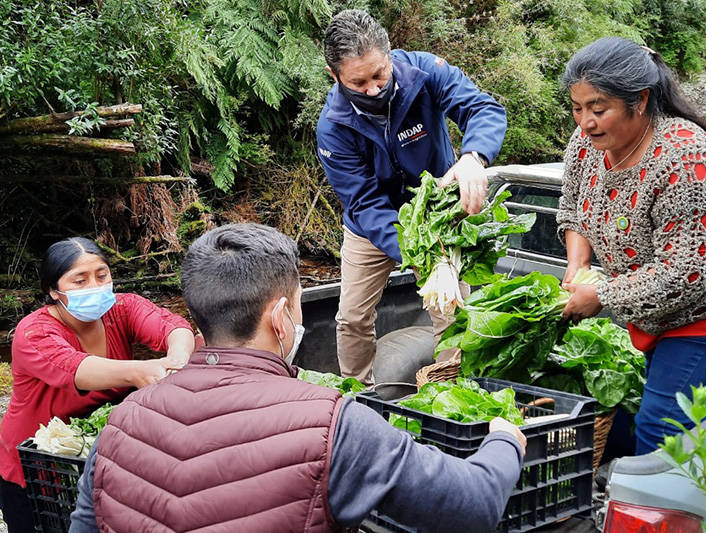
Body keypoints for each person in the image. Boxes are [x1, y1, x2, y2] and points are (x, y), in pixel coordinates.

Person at [69, 223, 526, 533]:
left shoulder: (119, 425)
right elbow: (475, 506)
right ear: (282, 317)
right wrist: (506, 440)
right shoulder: (333, 423)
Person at [556, 37, 706, 455]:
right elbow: (573, 210)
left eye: (599, 109)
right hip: (647, 302)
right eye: (578, 108)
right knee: (631, 399)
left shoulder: (684, 158)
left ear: (641, 100)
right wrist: (576, 267)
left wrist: (600, 293)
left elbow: (686, 272)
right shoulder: (586, 145)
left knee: (659, 423)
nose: (585, 122)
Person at [317, 9, 507, 384]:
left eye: (379, 75)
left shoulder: (426, 73)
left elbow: (482, 108)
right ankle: (358, 395)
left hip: (438, 214)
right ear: (334, 75)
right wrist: (417, 252)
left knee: (452, 309)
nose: (373, 88)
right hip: (371, 226)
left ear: (390, 55)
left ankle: (453, 387)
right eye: (359, 83)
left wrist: (473, 156)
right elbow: (364, 202)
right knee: (352, 316)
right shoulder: (332, 128)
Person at [0, 237, 194, 533]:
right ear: (53, 291)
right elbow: (78, 369)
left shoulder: (124, 308)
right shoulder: (34, 333)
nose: (95, 286)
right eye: (80, 280)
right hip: (36, 467)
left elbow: (174, 327)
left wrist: (178, 360)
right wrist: (143, 371)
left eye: (102, 276)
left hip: (98, 459)